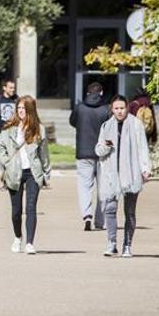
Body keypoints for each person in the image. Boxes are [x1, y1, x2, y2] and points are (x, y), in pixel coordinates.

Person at [96, 95, 152, 258]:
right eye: (116, 108)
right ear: (112, 109)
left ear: (127, 108)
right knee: (110, 209)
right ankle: (111, 243)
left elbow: (142, 148)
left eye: (122, 108)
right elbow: (98, 151)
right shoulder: (106, 126)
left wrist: (145, 168)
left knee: (130, 212)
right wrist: (106, 146)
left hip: (131, 173)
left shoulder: (136, 125)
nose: (119, 111)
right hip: (111, 175)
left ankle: (127, 245)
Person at [0, 96, 51, 255]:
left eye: (24, 108)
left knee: (31, 207)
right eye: (19, 108)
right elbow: (0, 148)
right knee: (16, 210)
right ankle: (18, 237)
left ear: (31, 110)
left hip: (33, 172)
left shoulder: (39, 129)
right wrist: (6, 161)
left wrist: (46, 175)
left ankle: (29, 243)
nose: (21, 111)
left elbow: (44, 154)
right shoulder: (8, 128)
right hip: (14, 172)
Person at [70, 82, 110, 231]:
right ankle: (100, 221)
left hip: (83, 152)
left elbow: (72, 121)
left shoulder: (80, 108)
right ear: (101, 93)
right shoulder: (106, 110)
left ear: (87, 93)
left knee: (84, 186)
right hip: (102, 154)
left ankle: (87, 215)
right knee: (103, 188)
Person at [0, 78, 18, 143]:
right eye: (10, 88)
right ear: (4, 88)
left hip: (14, 130)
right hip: (1, 131)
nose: (13, 90)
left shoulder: (16, 99)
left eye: (14, 88)